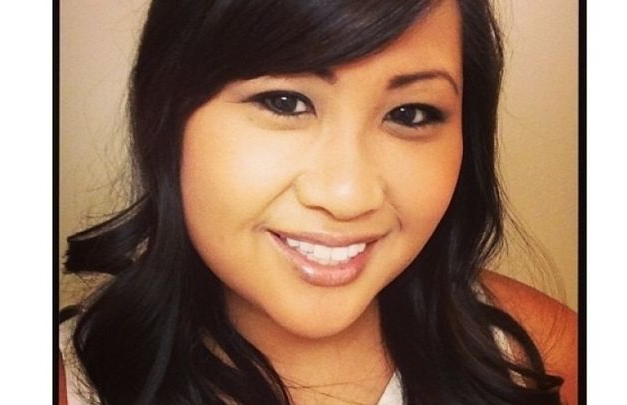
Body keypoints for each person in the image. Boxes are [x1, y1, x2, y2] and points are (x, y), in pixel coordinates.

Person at [59, 0, 577, 404]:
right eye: (285, 102)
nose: (348, 196)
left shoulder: (542, 355)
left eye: (411, 113)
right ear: (165, 116)